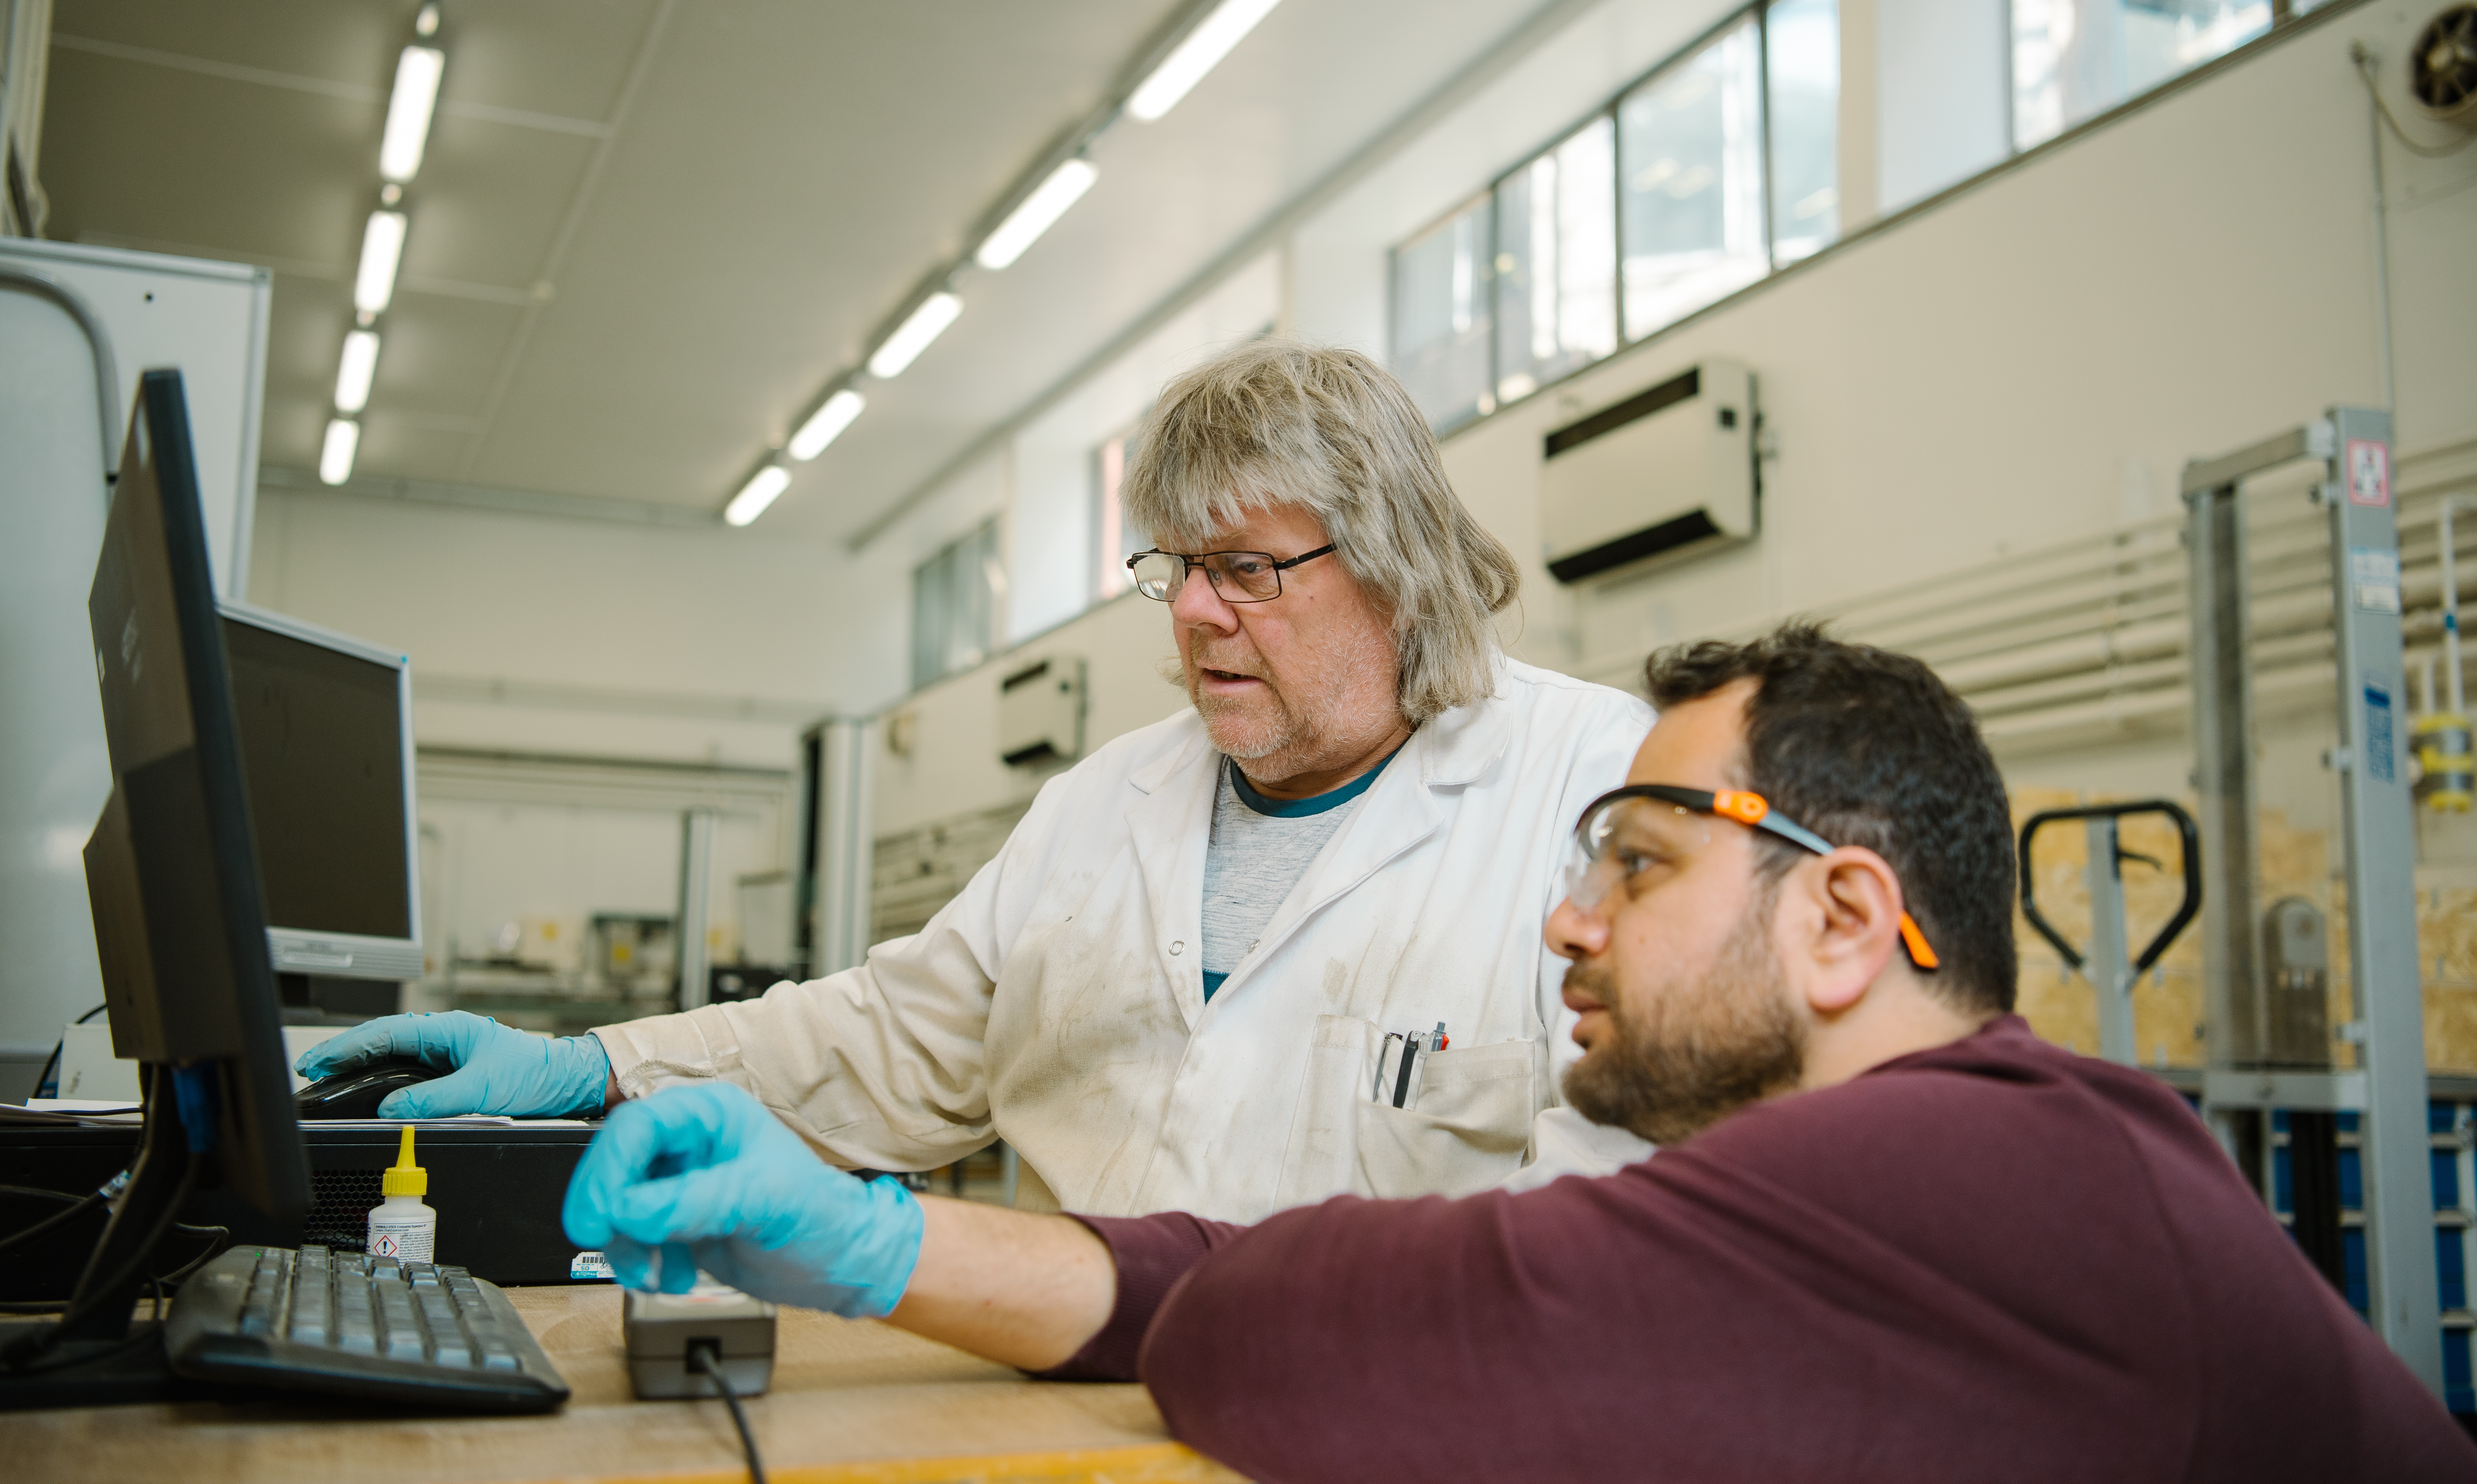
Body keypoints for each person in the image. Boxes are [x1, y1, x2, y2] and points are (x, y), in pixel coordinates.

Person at [561, 623, 2474, 1482]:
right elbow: (1283, 1278)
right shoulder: (1934, 1163)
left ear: (1840, 918)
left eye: (1635, 864)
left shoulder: (1986, 1163)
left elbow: (1378, 1324)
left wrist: (900, 1243)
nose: (1568, 917)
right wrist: (879, 1239)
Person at [302, 338, 1653, 1218]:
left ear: (1397, 567)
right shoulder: (1101, 807)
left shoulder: (1589, 797)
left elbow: (1623, 1197)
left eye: (1245, 570)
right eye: (1175, 570)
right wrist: (592, 1064)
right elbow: (897, 1044)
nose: (1191, 614)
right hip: (1073, 1401)